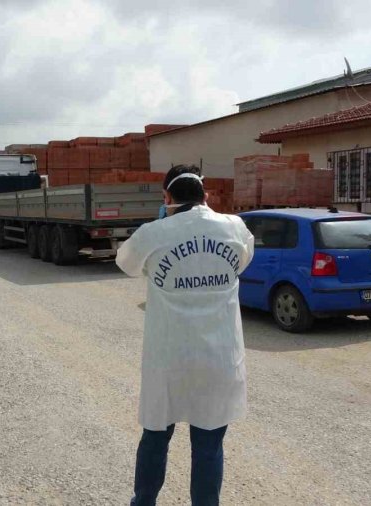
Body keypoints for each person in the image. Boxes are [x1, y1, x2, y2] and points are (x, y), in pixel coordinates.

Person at [116, 165, 254, 506]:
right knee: (208, 446)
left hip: (169, 358)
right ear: (205, 196)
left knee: (156, 435)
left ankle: (144, 502)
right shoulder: (234, 228)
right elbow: (243, 260)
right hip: (219, 358)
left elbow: (126, 263)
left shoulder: (154, 233)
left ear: (167, 198)